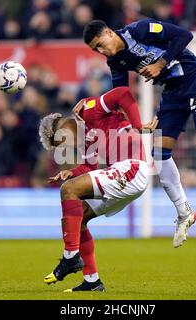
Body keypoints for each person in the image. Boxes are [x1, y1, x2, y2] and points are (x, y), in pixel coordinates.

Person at [83, 19, 196, 246]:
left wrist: (160, 64)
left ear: (108, 32)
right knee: (158, 153)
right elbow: (121, 94)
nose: (100, 50)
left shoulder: (140, 30)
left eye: (100, 44)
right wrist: (126, 120)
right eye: (95, 49)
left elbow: (184, 35)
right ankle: (184, 213)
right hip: (173, 92)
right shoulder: (115, 60)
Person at [39, 86, 158, 292]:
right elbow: (89, 167)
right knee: (80, 218)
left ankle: (70, 257)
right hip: (125, 173)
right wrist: (72, 172)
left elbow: (123, 93)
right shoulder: (85, 139)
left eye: (61, 141)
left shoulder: (88, 110)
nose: (66, 146)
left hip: (132, 167)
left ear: (62, 126)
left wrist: (138, 126)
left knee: (68, 191)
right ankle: (92, 281)